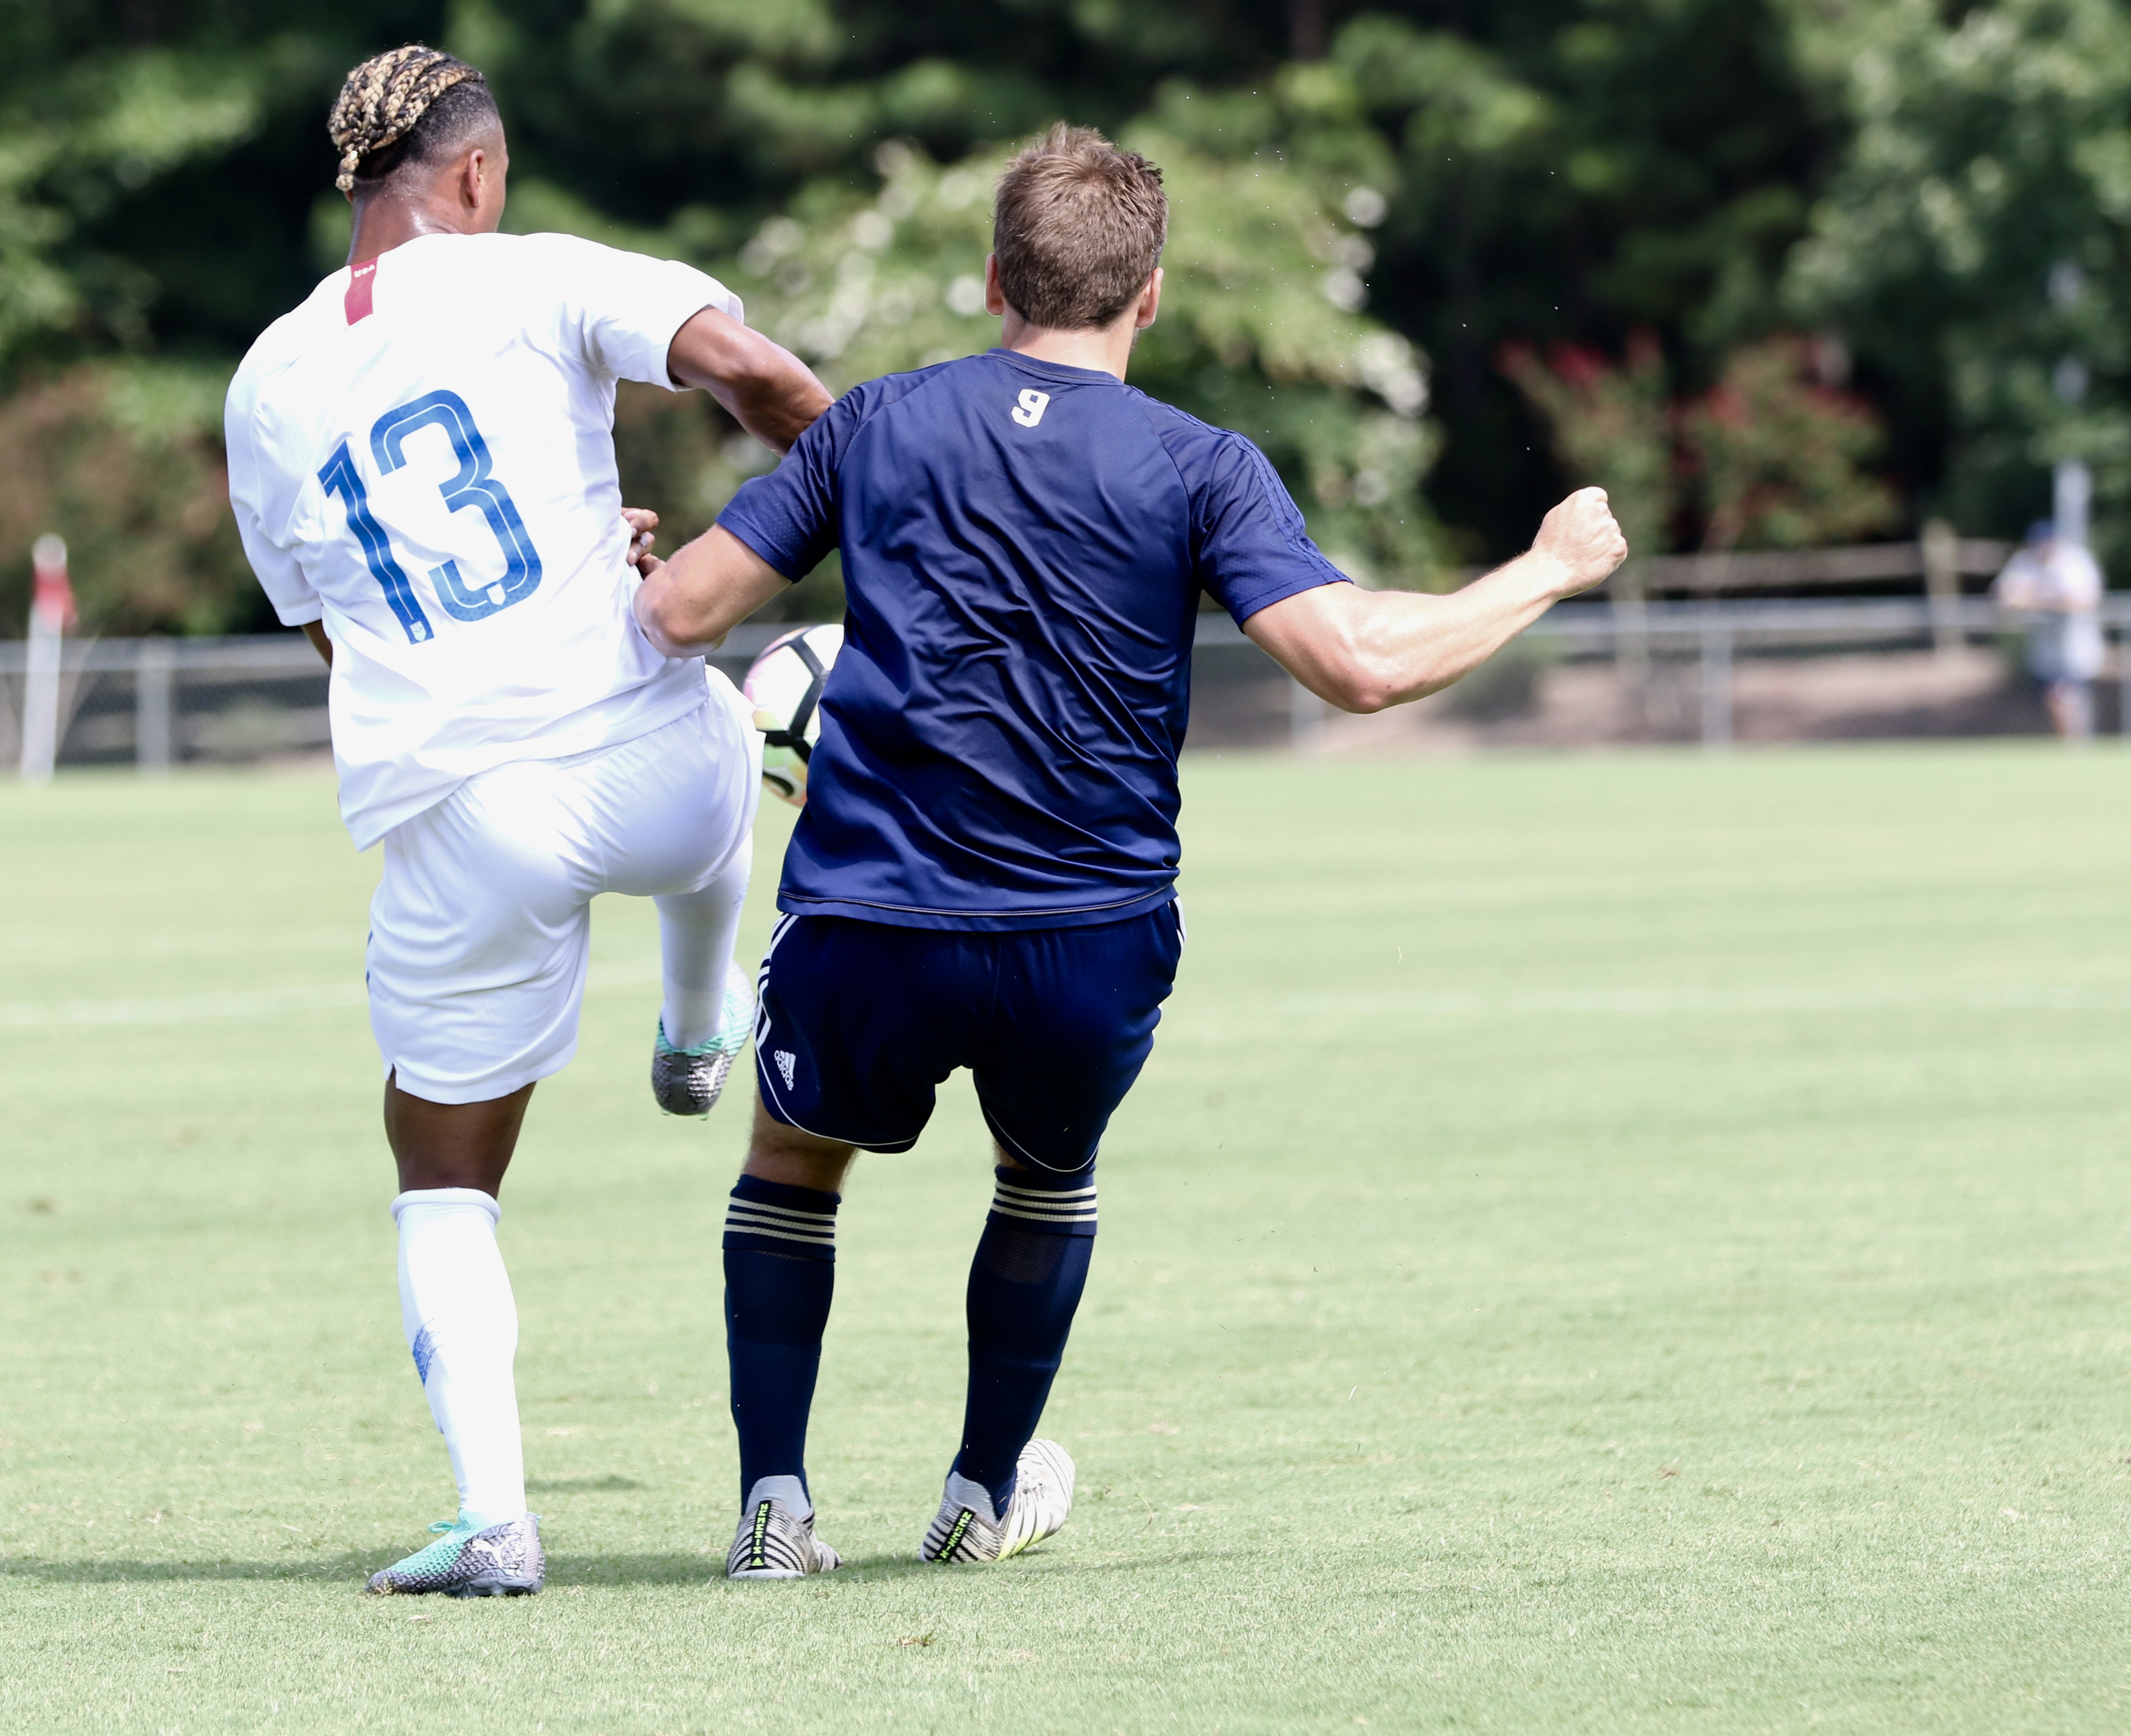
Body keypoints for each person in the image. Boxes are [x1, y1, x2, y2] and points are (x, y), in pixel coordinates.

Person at [634, 124, 1628, 1578]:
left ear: (992, 279)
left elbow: (683, 616)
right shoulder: (1200, 463)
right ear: (1147, 294)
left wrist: (633, 565)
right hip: (1084, 935)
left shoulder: (874, 424)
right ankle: (980, 1493)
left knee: (791, 1162)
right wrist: (1547, 566)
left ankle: (775, 1508)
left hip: (873, 911)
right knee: (1044, 1176)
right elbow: (1355, 664)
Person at [223, 44, 829, 1598]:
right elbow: (761, 381)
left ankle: (496, 1517)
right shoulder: (539, 269)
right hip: (652, 762)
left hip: (464, 815)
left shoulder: (266, 381)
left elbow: (333, 633)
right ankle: (702, 1024)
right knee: (723, 740)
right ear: (478, 177)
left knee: (440, 1174)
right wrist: (880, 518)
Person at [1992, 519, 2106, 740]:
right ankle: (2072, 747)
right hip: (2045, 651)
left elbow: (2086, 599)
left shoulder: (2075, 561)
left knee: (2063, 698)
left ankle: (2076, 747)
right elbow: (2004, 598)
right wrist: (2045, 598)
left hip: (2076, 649)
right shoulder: (2025, 562)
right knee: (2055, 701)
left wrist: (2039, 598)